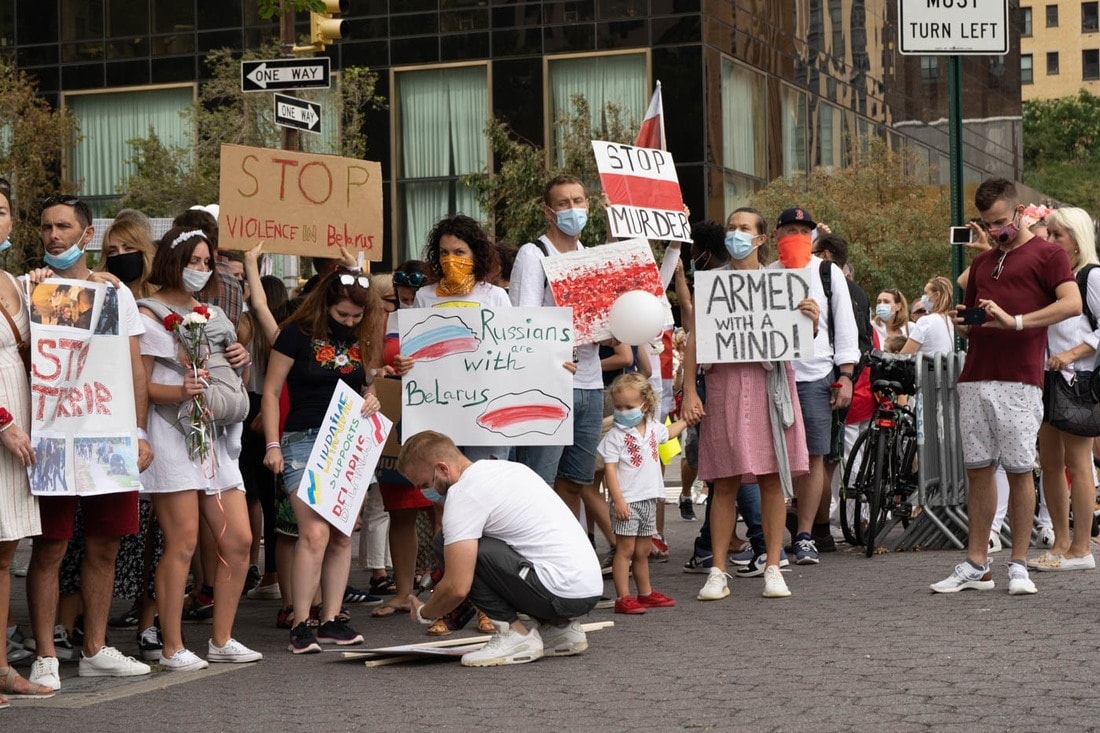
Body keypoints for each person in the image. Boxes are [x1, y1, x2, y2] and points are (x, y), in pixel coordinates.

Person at [26, 194, 154, 691]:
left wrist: (139, 431)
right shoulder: (31, 290)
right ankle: (44, 655)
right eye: (45, 227)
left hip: (107, 435)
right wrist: (37, 289)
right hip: (54, 441)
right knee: (51, 546)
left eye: (62, 226)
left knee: (105, 544)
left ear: (86, 233)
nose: (52, 236)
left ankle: (96, 648)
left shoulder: (115, 295)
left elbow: (132, 365)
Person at [931, 178, 1081, 596]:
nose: (994, 229)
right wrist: (967, 322)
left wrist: (1016, 321)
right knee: (978, 471)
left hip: (1019, 378)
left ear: (1019, 212)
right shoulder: (981, 263)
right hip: (976, 374)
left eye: (999, 221)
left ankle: (1018, 563)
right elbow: (976, 315)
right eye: (986, 222)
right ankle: (977, 564)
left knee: (1018, 471)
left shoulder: (1048, 254)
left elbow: (1071, 303)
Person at [137, 226, 261, 670]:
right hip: (172, 433)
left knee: (240, 540)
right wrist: (178, 392)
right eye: (194, 261)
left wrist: (239, 364)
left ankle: (222, 639)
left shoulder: (211, 313)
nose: (201, 270)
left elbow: (228, 376)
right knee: (183, 542)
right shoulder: (147, 313)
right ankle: (171, 646)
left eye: (207, 263)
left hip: (214, 437)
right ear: (173, 259)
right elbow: (140, 383)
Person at [681, 208, 818, 600]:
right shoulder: (713, 286)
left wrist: (812, 318)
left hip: (768, 387)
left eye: (745, 229)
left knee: (772, 478)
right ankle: (718, 572)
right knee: (724, 479)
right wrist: (690, 390)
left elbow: (799, 336)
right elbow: (695, 341)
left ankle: (773, 566)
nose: (735, 234)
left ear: (760, 239)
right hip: (725, 387)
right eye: (731, 228)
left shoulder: (782, 284)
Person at [398, 431, 602, 667]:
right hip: (586, 589)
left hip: (559, 592)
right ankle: (562, 629)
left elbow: (457, 587)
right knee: (488, 545)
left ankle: (514, 635)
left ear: (442, 468)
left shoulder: (464, 493)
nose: (425, 492)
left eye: (425, 484)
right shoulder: (510, 469)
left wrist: (426, 613)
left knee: (446, 545)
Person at [262, 268, 385, 653]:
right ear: (326, 305)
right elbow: (270, 391)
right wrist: (272, 444)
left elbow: (367, 383)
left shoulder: (361, 338)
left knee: (341, 534)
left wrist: (374, 397)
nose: (349, 322)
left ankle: (332, 619)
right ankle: (302, 621)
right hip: (302, 440)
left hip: (348, 441)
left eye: (356, 317)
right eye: (342, 315)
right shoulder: (296, 335)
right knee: (313, 533)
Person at [767, 208, 860, 565]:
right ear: (776, 236)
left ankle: (805, 534)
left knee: (815, 456)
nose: (797, 236)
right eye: (790, 229)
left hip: (817, 375)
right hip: (775, 374)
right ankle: (775, 535)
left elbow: (846, 326)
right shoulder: (766, 275)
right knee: (773, 457)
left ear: (813, 238)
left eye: (803, 231)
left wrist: (846, 376)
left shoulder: (827, 272)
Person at [0, 178, 54, 701]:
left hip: (22, 430)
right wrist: (3, 422)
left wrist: (47, 289)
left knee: (4, 552)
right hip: (3, 426)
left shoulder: (19, 284)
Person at [1030, 206, 1099, 572]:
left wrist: (1072, 353)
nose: (1051, 240)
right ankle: (1061, 542)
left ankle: (1081, 547)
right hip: (1048, 377)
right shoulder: (1058, 277)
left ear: (1077, 238)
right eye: (1050, 233)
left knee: (1079, 462)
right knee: (1052, 464)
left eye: (1058, 234)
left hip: (1077, 380)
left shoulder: (1092, 277)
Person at [599, 372, 686, 614]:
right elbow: (610, 470)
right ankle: (623, 597)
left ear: (645, 405)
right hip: (627, 501)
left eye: (629, 406)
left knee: (642, 550)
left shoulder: (653, 428)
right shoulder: (615, 436)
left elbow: (670, 433)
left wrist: (687, 420)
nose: (622, 411)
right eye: (618, 407)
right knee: (624, 550)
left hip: (648, 498)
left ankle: (645, 592)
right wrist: (617, 500)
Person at [93, 217, 155, 298]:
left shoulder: (162, 293)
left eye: (128, 248)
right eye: (112, 251)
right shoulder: (99, 291)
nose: (121, 254)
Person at [900, 277, 955, 355]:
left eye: (926, 293)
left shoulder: (926, 321)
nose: (923, 297)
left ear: (936, 295)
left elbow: (904, 355)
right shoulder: (951, 322)